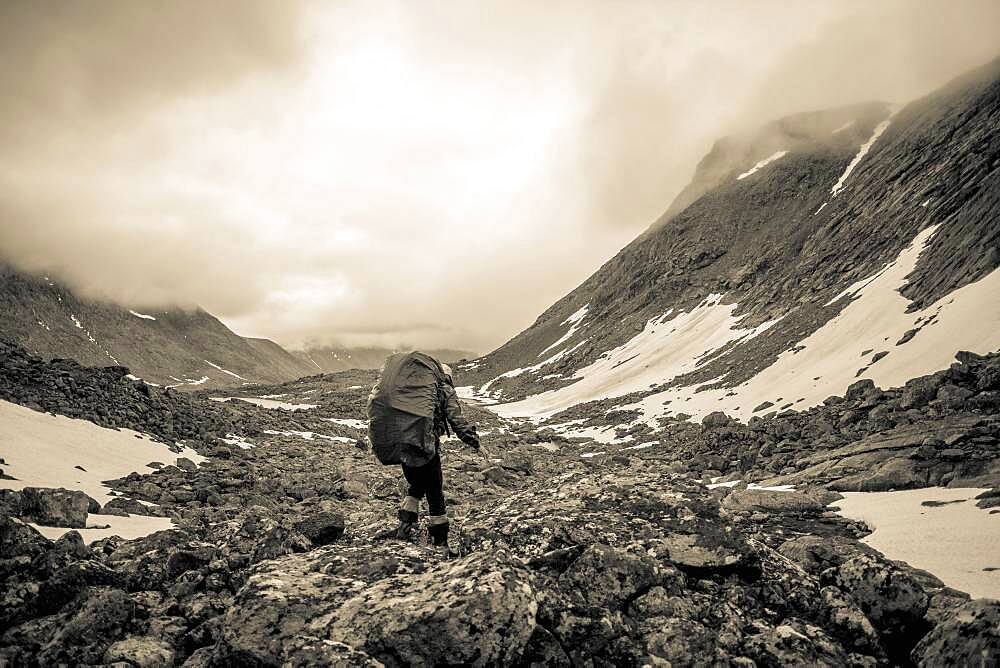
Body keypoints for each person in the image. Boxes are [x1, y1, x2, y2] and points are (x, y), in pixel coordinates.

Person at [395, 362, 480, 554]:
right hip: (425, 446)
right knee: (434, 491)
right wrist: (474, 441)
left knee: (416, 486)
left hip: (403, 443)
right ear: (446, 376)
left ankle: (404, 528)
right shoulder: (443, 389)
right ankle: (440, 543)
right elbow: (456, 419)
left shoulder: (411, 388)